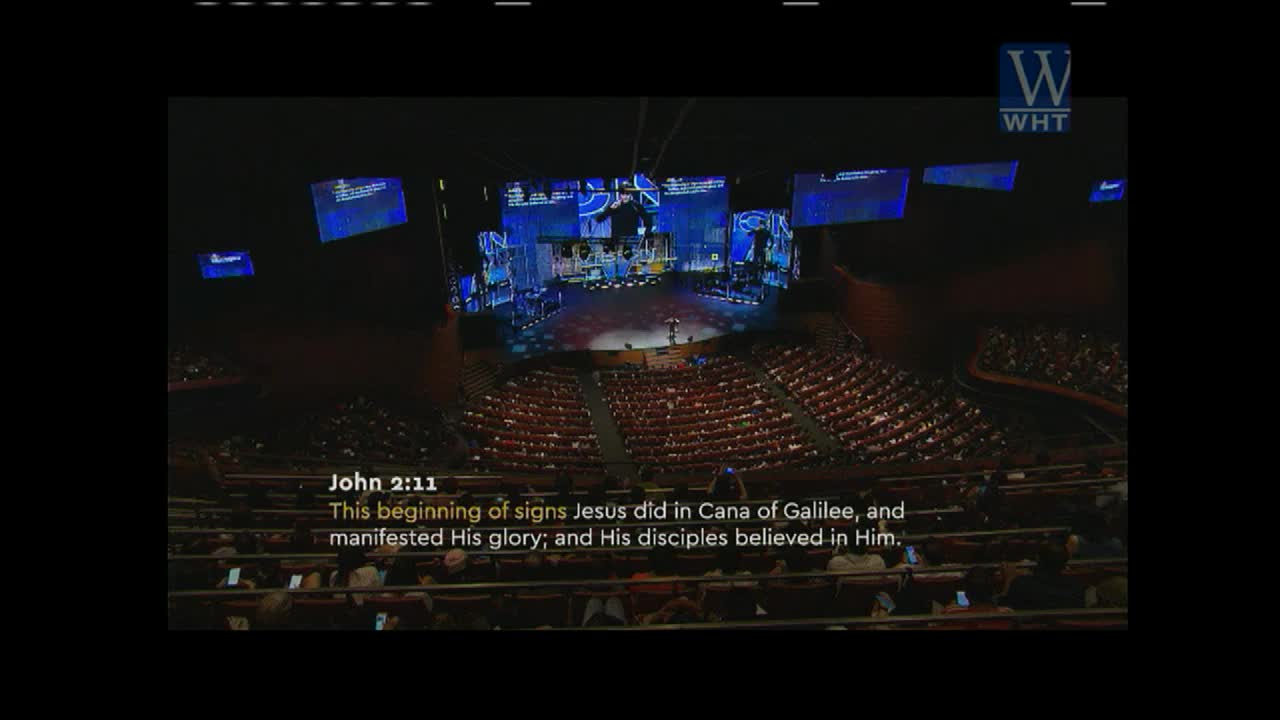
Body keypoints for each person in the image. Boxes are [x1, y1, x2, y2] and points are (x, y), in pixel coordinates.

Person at [999, 542, 1086, 610]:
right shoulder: (1076, 587)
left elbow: (1004, 611)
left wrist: (1009, 579)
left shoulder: (1021, 584)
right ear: (1065, 563)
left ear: (1038, 559)